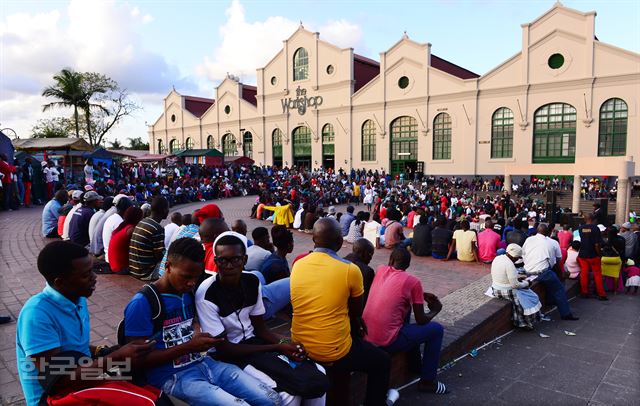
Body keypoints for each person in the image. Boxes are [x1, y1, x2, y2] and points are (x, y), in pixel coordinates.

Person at [123, 238, 279, 405]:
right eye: (186, 277)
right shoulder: (143, 303)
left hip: (205, 364)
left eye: (196, 277)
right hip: (173, 377)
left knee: (271, 399)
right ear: (168, 267)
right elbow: (138, 360)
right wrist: (189, 346)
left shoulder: (187, 293)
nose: (191, 283)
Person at [16, 241, 156, 406]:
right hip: (52, 398)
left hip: (81, 381)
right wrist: (115, 358)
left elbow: (70, 348)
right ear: (60, 282)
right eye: (86, 275)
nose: (94, 277)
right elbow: (57, 381)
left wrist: (104, 351)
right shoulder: (37, 314)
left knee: (147, 392)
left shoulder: (76, 296)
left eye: (92, 270)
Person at [196, 233, 327, 406]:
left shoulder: (252, 281)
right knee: (287, 395)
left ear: (244, 259)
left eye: (235, 259)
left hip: (255, 344)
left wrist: (285, 342)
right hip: (229, 357)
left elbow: (260, 328)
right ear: (216, 261)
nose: (229, 266)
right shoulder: (206, 294)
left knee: (319, 371)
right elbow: (225, 349)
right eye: (223, 260)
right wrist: (277, 346)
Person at [291, 218, 390, 406]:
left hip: (300, 344)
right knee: (382, 361)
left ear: (314, 239)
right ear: (339, 242)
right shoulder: (350, 270)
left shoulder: (298, 264)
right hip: (333, 352)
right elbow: (355, 312)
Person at [363, 247, 448, 394]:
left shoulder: (381, 269)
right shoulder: (413, 282)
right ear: (407, 266)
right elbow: (421, 320)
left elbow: (397, 290)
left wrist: (419, 294)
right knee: (436, 330)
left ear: (390, 260)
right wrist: (435, 310)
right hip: (387, 342)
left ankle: (414, 362)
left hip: (366, 336)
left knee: (406, 307)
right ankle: (428, 381)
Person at [522, 224, 579, 320]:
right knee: (559, 289)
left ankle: (550, 300)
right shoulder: (552, 243)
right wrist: (560, 274)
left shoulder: (529, 240)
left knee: (552, 280)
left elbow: (523, 254)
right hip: (543, 272)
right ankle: (566, 314)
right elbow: (557, 260)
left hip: (528, 270)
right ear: (548, 232)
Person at [491, 244, 542, 330]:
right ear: (514, 256)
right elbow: (515, 285)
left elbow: (504, 275)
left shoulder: (498, 258)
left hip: (495, 287)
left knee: (525, 295)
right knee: (527, 299)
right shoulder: (509, 264)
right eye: (518, 258)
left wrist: (518, 277)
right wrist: (527, 283)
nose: (518, 259)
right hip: (505, 290)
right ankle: (523, 323)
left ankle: (524, 321)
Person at [128, 196, 168, 280]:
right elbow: (160, 256)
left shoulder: (142, 221)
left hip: (134, 270)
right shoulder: (157, 228)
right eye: (167, 208)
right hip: (146, 273)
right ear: (164, 210)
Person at [577, 213, 607, 300]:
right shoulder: (595, 228)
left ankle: (584, 292)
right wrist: (599, 254)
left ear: (585, 219)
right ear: (593, 219)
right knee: (597, 274)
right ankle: (601, 294)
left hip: (583, 254)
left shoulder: (581, 228)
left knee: (584, 273)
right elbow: (597, 244)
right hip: (593, 255)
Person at [108, 207, 144, 274]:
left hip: (114, 265)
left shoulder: (123, 226)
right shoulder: (131, 229)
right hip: (121, 268)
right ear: (138, 218)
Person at [344, 238, 375, 305]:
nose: (371, 258)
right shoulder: (367, 271)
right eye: (370, 254)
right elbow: (364, 298)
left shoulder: (341, 260)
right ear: (364, 253)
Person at [103, 196, 133, 262]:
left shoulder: (113, 217)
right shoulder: (119, 222)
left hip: (109, 256)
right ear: (127, 210)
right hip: (114, 260)